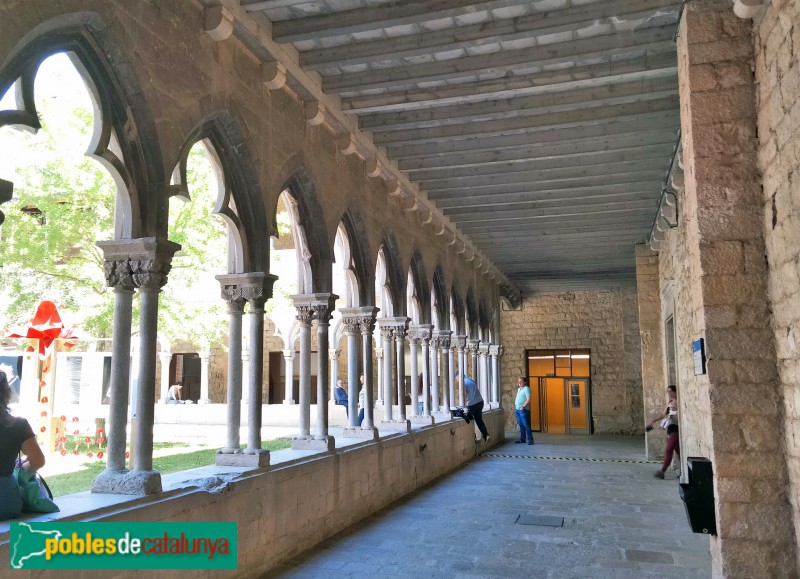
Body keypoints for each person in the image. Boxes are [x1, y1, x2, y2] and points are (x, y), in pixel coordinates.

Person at [0, 370, 45, 520]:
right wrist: (22, 467)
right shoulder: (19, 425)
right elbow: (38, 461)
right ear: (6, 395)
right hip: (6, 503)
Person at [647, 385, 680, 479]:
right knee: (678, 452)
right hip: (670, 429)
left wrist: (674, 416)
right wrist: (653, 421)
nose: (669, 393)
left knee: (669, 450)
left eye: (670, 391)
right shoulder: (670, 402)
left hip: (676, 429)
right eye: (667, 392)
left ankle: (662, 471)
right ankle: (683, 471)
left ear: (675, 391)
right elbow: (663, 414)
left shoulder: (680, 402)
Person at [455, 372, 489, 442]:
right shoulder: (470, 380)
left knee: (465, 415)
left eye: (456, 379)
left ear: (458, 376)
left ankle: (472, 437)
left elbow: (464, 394)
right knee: (479, 420)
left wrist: (463, 405)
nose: (456, 380)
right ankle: (486, 435)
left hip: (473, 404)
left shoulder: (463, 382)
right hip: (480, 402)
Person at [514, 377, 534, 445]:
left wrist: (523, 406)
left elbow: (528, 399)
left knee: (526, 425)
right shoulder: (519, 389)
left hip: (523, 410)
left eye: (521, 381)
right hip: (517, 410)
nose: (519, 383)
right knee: (521, 425)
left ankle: (530, 440)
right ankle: (522, 439)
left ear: (525, 382)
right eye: (518, 381)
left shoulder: (527, 389)